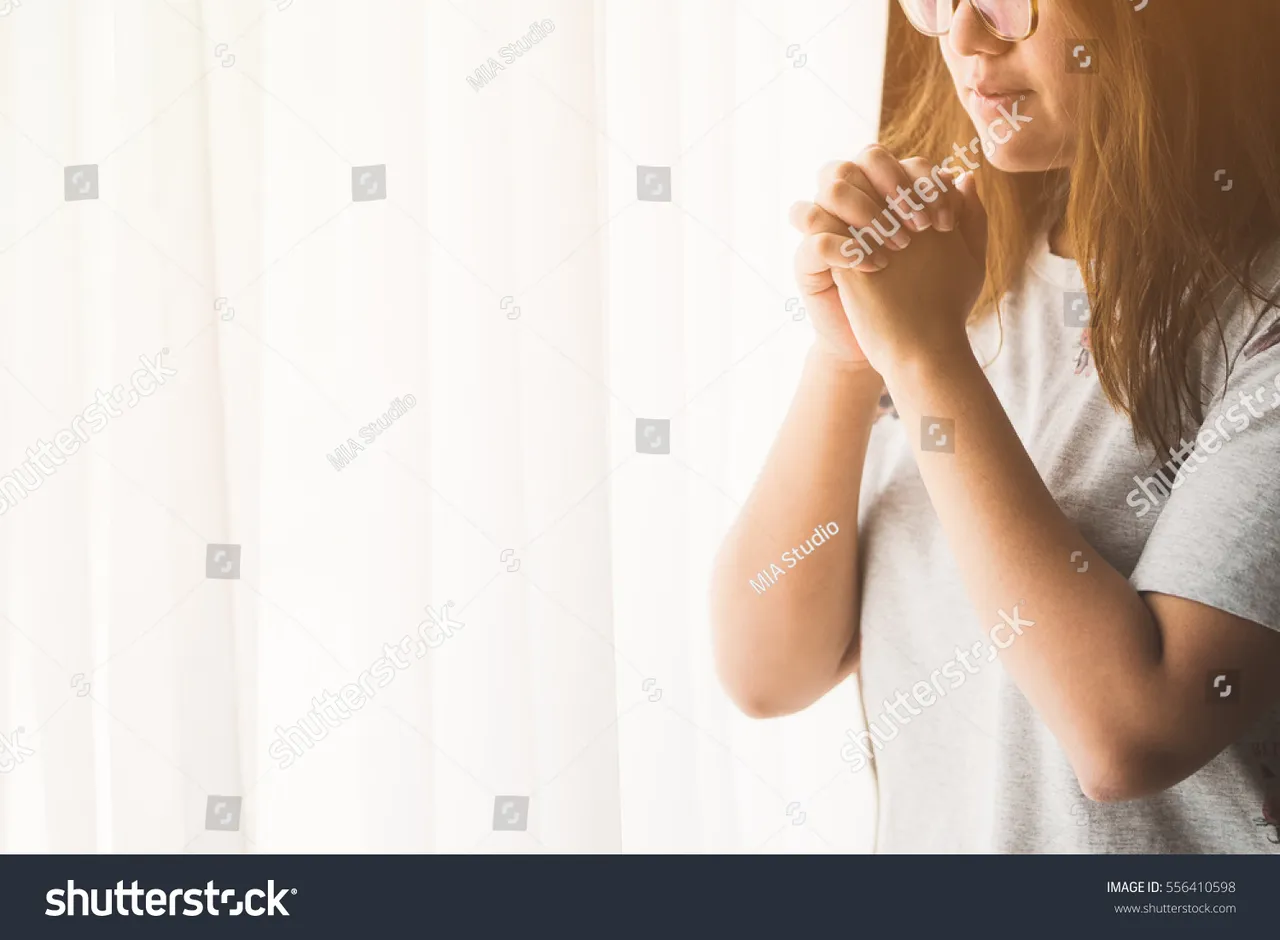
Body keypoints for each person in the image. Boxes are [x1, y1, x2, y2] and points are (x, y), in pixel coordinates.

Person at [709, 0, 1280, 852]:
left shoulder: (1256, 323)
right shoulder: (955, 275)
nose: (965, 38)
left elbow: (1132, 738)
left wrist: (928, 358)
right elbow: (766, 673)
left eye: (1011, 1)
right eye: (937, 0)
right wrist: (847, 357)